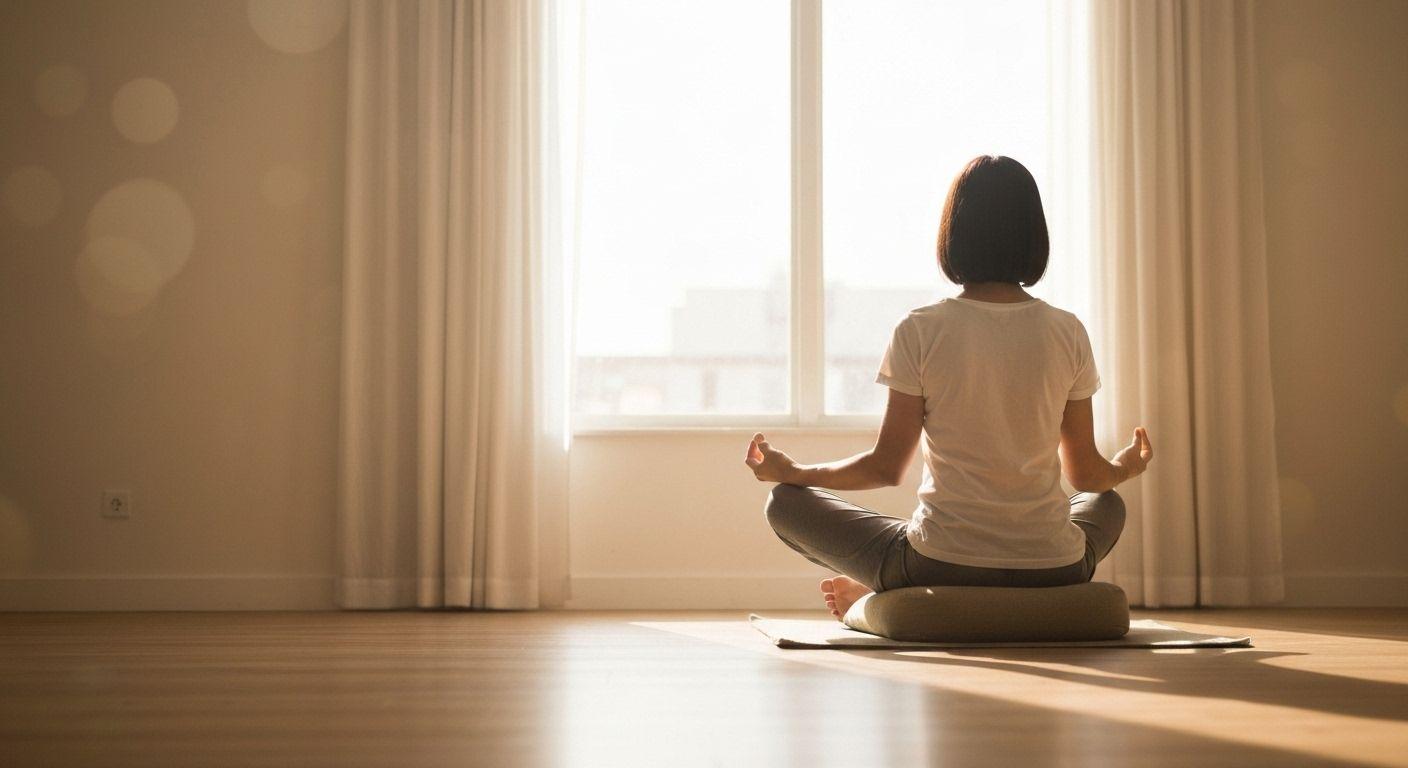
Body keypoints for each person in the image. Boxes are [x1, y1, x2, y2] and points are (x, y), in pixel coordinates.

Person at [745, 155, 1153, 621]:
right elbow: (1087, 477)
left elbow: (884, 468)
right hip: (1054, 566)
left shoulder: (920, 329)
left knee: (785, 503)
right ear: (1034, 236)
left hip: (938, 561)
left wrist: (794, 472)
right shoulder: (1068, 331)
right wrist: (1124, 467)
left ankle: (885, 588)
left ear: (953, 234)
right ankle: (893, 585)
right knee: (1108, 502)